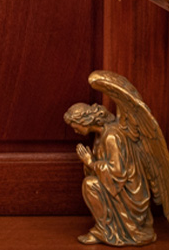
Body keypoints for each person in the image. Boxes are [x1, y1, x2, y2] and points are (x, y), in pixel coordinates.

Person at [65, 102, 156, 246]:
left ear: (84, 122)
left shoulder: (111, 136)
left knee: (90, 185)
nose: (76, 132)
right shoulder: (100, 135)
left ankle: (105, 231)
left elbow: (118, 173)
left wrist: (90, 162)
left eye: (76, 128)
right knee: (90, 183)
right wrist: (92, 163)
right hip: (117, 187)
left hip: (128, 193)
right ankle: (106, 229)